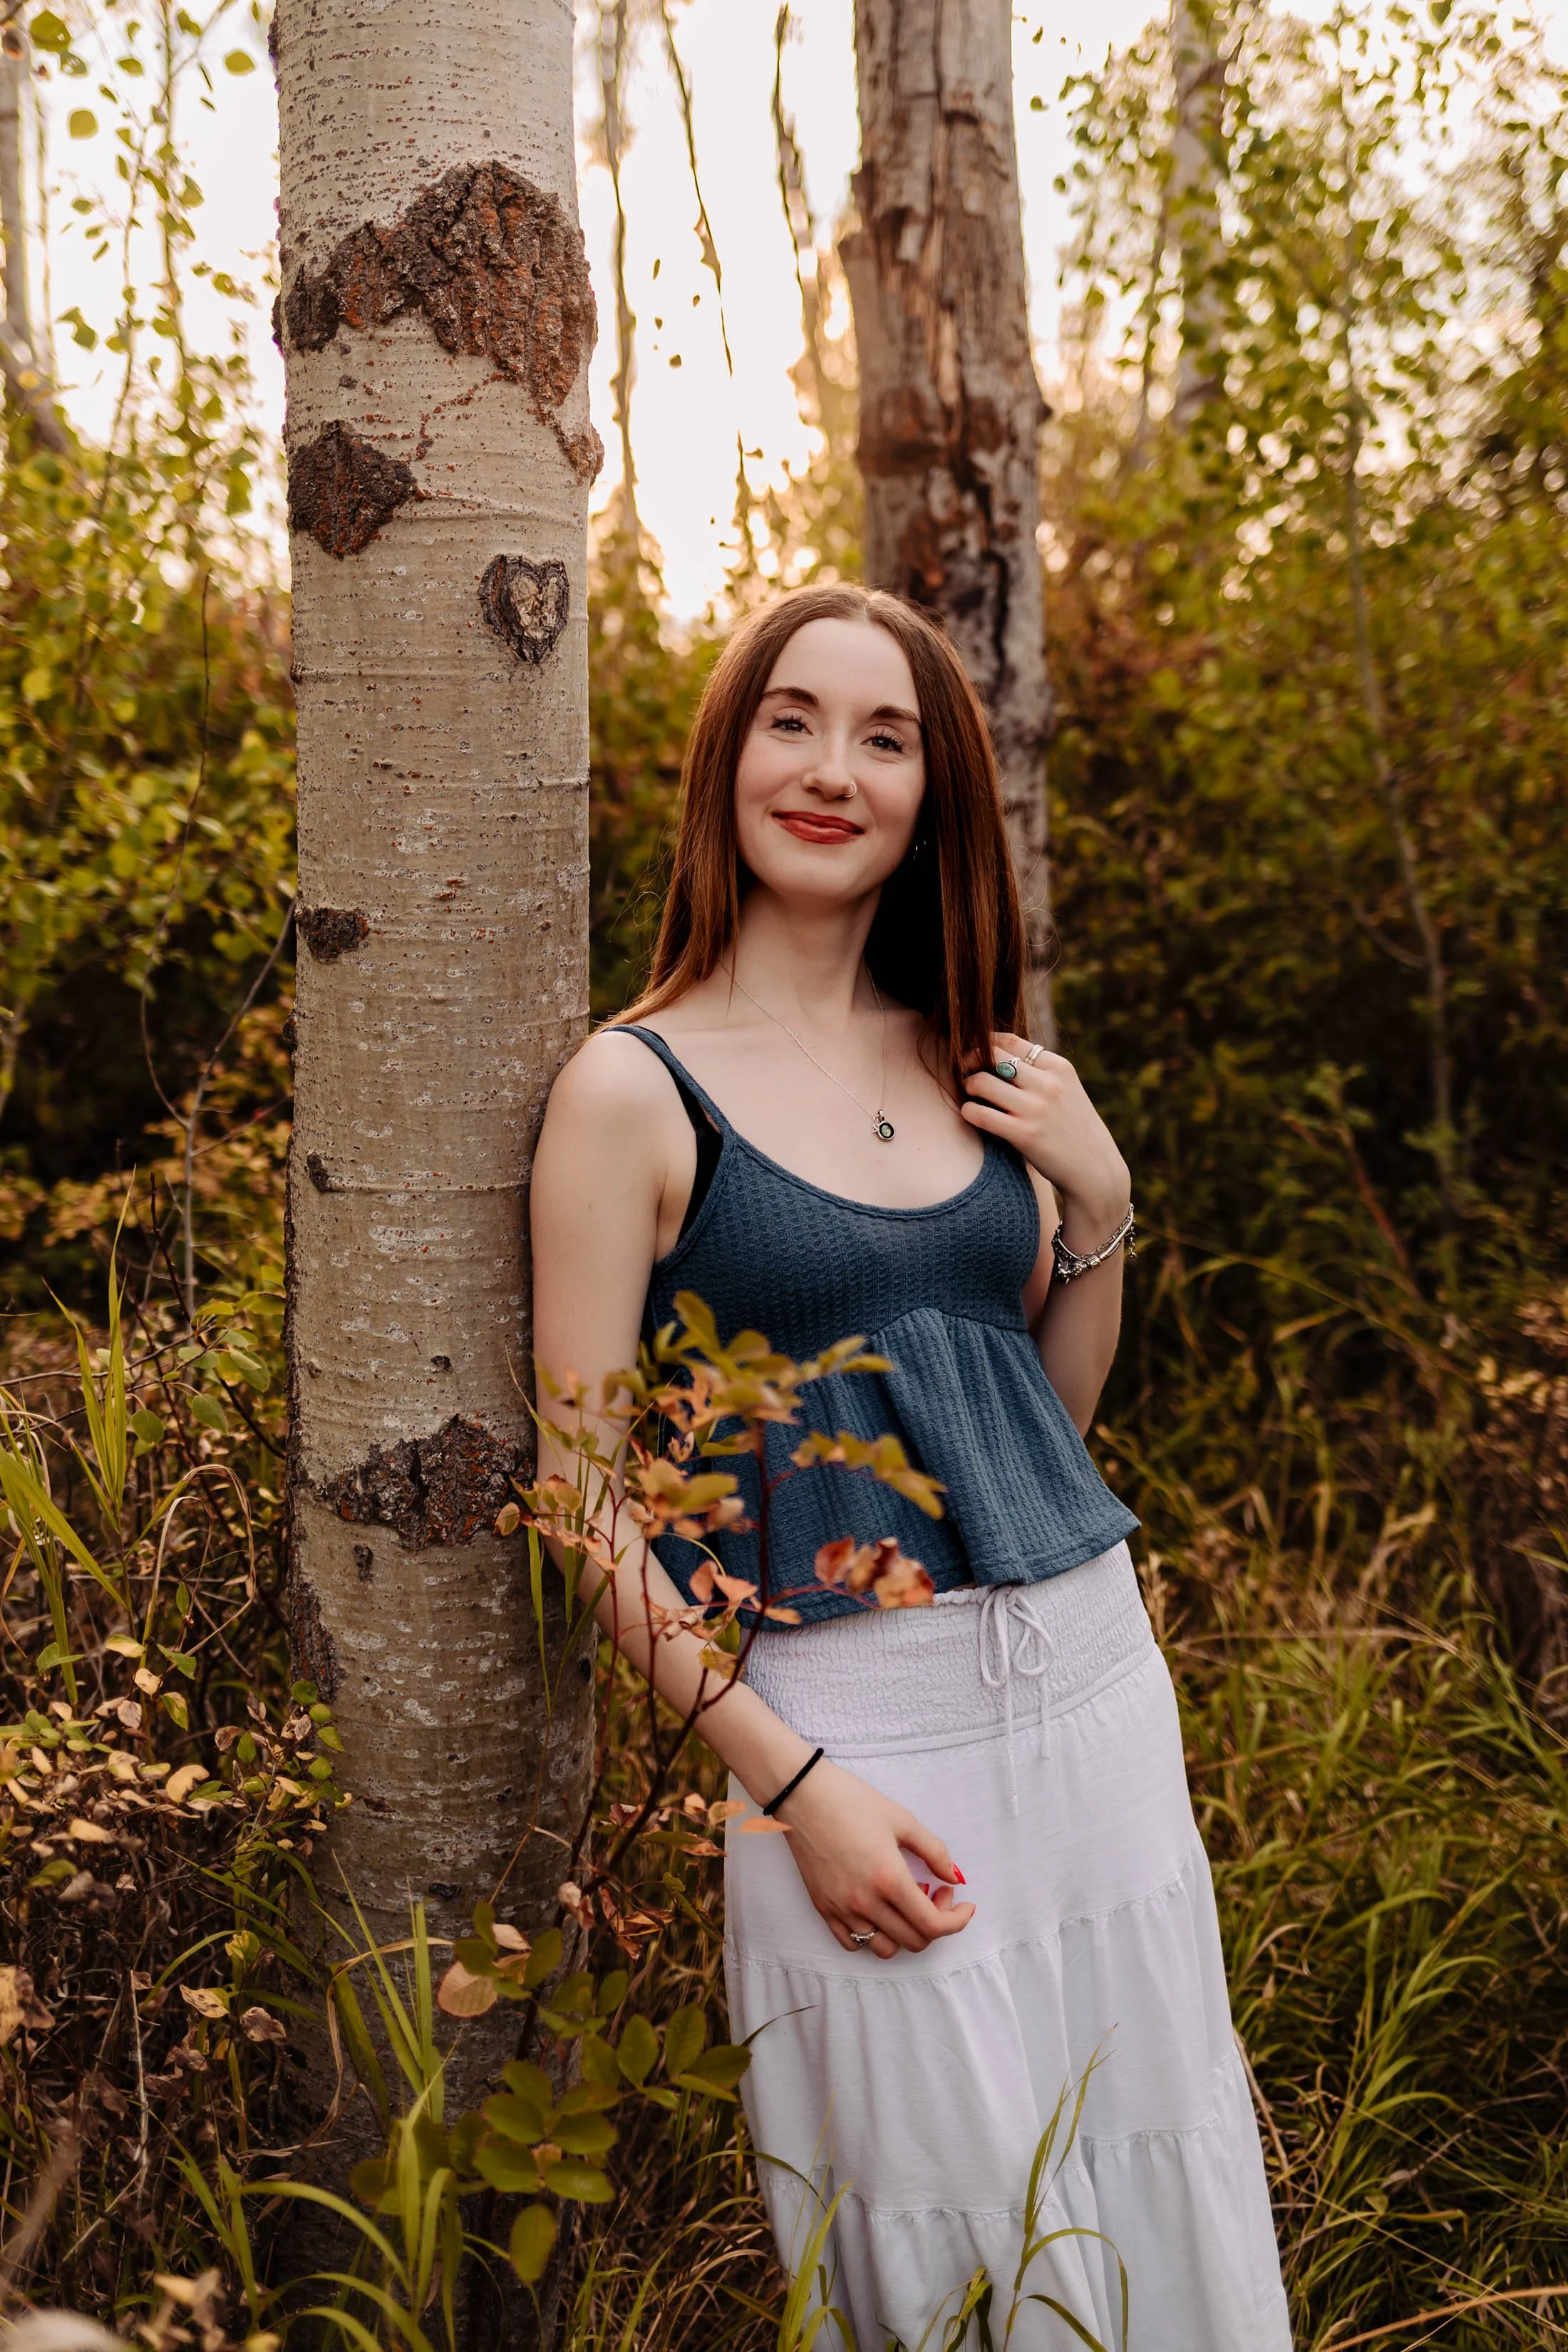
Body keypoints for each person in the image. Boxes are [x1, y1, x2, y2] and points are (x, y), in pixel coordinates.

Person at [531, 583, 1292, 2351]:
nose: (830, 771)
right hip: (852, 1737)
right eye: (791, 721)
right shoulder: (630, 1093)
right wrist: (796, 1791)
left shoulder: (981, 1073)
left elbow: (1036, 1423)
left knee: (1152, 2163)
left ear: (934, 795)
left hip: (1097, 1694)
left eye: (885, 740)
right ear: (728, 759)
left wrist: (1096, 1208)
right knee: (951, 2239)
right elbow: (578, 1502)